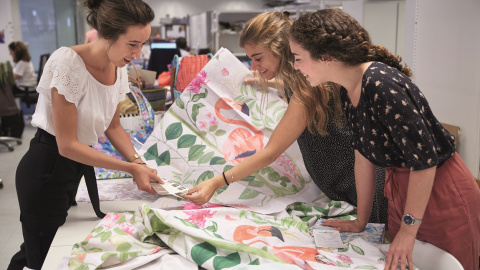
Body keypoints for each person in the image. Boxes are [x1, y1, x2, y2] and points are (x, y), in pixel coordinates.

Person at [289, 9, 480, 270]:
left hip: (438, 189)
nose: (295, 66)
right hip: (403, 189)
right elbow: (363, 157)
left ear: (326, 57)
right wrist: (361, 220)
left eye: (298, 58)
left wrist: (408, 231)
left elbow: (425, 162)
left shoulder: (381, 84)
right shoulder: (349, 90)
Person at [183, 11, 388, 226]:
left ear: (280, 49)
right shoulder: (304, 80)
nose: (254, 66)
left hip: (360, 188)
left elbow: (270, 153)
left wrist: (217, 183)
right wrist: (274, 83)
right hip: (348, 185)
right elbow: (297, 88)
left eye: (258, 58)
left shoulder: (307, 88)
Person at [7, 0, 163, 269]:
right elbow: (67, 145)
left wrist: (138, 163)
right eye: (133, 44)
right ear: (108, 35)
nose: (138, 53)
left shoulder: (118, 66)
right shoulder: (68, 63)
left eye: (142, 44)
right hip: (47, 167)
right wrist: (129, 167)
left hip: (78, 165)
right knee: (39, 254)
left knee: (62, 244)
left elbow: (113, 127)